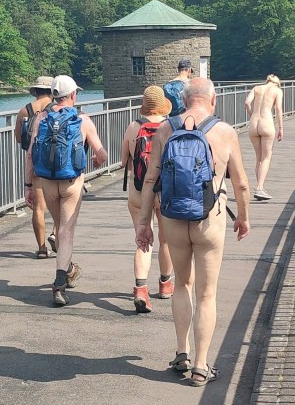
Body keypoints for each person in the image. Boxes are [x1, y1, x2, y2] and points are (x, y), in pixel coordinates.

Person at [135, 77, 251, 386]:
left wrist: (144, 223)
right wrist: (243, 217)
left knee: (182, 284)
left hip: (173, 217)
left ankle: (181, 353)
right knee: (207, 293)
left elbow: (150, 180)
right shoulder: (224, 132)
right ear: (213, 100)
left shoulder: (166, 129)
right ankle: (200, 367)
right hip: (209, 219)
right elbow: (240, 183)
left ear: (184, 101)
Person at [24, 75, 108, 306]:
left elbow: (31, 154)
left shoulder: (41, 118)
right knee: (66, 232)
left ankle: (68, 269)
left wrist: (28, 185)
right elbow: (102, 154)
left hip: (47, 182)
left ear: (54, 95)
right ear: (73, 95)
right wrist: (97, 160)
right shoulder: (82, 120)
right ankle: (59, 283)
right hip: (71, 182)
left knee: (59, 227)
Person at [120, 86, 175, 313]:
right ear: (163, 106)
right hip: (164, 191)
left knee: (143, 240)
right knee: (165, 240)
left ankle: (141, 290)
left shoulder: (134, 127)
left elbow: (124, 162)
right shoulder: (171, 127)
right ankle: (165, 284)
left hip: (139, 191)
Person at [14, 76, 56, 258]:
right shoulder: (57, 108)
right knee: (60, 203)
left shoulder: (25, 110)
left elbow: (19, 138)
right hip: (55, 163)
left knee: (39, 207)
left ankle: (41, 249)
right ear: (53, 92)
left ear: (36, 91)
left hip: (36, 162)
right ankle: (55, 234)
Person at [244, 74, 284, 200]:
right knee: (266, 157)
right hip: (266, 123)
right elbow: (278, 109)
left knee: (258, 158)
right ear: (277, 83)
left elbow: (247, 103)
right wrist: (281, 128)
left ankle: (260, 187)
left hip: (254, 123)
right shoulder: (277, 91)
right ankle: (260, 188)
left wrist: (251, 114)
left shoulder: (256, 88)